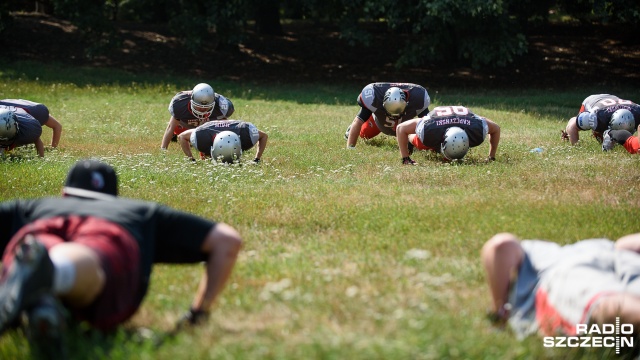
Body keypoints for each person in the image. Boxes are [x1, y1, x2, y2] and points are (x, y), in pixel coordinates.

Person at [0, 159, 242, 355]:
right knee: (89, 253)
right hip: (110, 232)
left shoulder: (33, 205)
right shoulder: (140, 211)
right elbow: (227, 241)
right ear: (115, 196)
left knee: (39, 246)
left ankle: (39, 294)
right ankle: (53, 272)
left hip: (41, 225)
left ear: (64, 193)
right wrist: (197, 314)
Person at [481, 232, 640, 340]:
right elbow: (501, 246)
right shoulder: (539, 254)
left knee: (607, 302)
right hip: (614, 252)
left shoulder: (535, 274)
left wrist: (499, 313)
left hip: (565, 270)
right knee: (610, 303)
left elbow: (500, 246)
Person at [396, 105, 500, 164]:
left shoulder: (476, 128)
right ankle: (411, 140)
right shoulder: (429, 129)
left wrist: (492, 157)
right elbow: (401, 128)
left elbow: (496, 129)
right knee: (421, 143)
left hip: (463, 120)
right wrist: (405, 158)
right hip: (437, 122)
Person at [345, 82, 430, 149]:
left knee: (422, 143)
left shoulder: (418, 97)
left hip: (406, 128)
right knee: (364, 135)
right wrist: (350, 148)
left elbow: (428, 125)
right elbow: (358, 120)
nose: (394, 117)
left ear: (406, 103)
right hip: (378, 123)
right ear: (383, 103)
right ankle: (352, 129)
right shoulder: (374, 95)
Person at [160, 83, 235, 150]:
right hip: (186, 124)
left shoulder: (221, 106)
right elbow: (170, 127)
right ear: (191, 101)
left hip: (208, 124)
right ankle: (175, 134)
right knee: (178, 129)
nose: (202, 109)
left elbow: (225, 128)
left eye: (207, 107)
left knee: (215, 133)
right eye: (198, 106)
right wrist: (163, 149)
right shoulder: (180, 103)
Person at [562, 94, 640, 145]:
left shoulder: (637, 111)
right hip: (593, 100)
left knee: (618, 142)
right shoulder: (596, 116)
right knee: (601, 137)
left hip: (613, 101)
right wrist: (576, 146)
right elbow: (572, 126)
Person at [177, 120, 268, 163]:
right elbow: (264, 136)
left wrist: (192, 160)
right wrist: (257, 159)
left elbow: (182, 136)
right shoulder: (247, 133)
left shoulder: (201, 135)